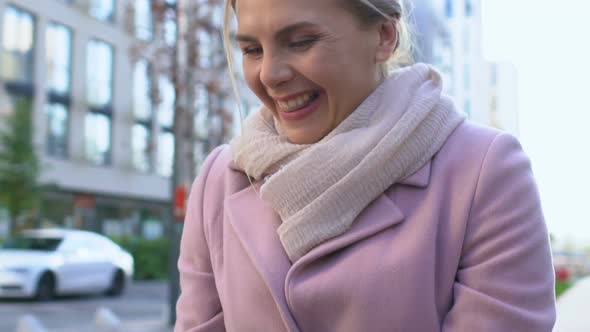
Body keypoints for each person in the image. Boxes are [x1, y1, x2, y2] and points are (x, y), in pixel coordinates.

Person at [175, 0, 556, 331]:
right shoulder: (219, 181)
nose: (270, 74)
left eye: (301, 41)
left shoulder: (485, 171)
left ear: (384, 36)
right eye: (253, 49)